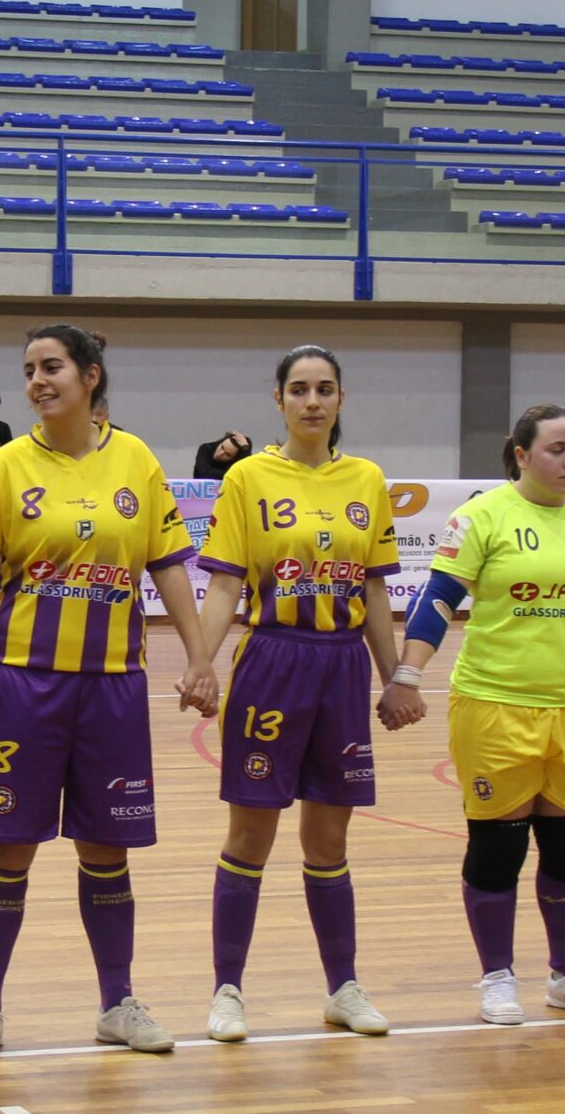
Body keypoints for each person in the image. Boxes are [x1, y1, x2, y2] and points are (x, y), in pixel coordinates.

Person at [0, 324, 217, 1060]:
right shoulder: (2, 467)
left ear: (90, 376)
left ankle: (117, 1001)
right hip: (22, 685)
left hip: (114, 687)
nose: (37, 380)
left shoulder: (137, 459)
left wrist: (199, 657)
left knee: (107, 848)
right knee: (9, 847)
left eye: (51, 366)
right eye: (29, 368)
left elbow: (167, 567)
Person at [393, 404, 565, 1025]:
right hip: (495, 706)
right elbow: (438, 600)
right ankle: (497, 978)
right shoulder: (483, 518)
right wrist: (408, 676)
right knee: (499, 847)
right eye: (556, 450)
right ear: (521, 454)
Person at [192, 347, 408, 1042]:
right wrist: (202, 660)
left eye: (324, 389)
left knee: (329, 837)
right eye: (299, 389)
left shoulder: (367, 479)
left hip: (341, 666)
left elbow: (374, 588)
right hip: (273, 662)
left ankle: (342, 985)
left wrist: (395, 675)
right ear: (278, 398)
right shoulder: (249, 477)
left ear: (341, 398)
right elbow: (225, 582)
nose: (312, 400)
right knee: (251, 833)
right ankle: (227, 990)